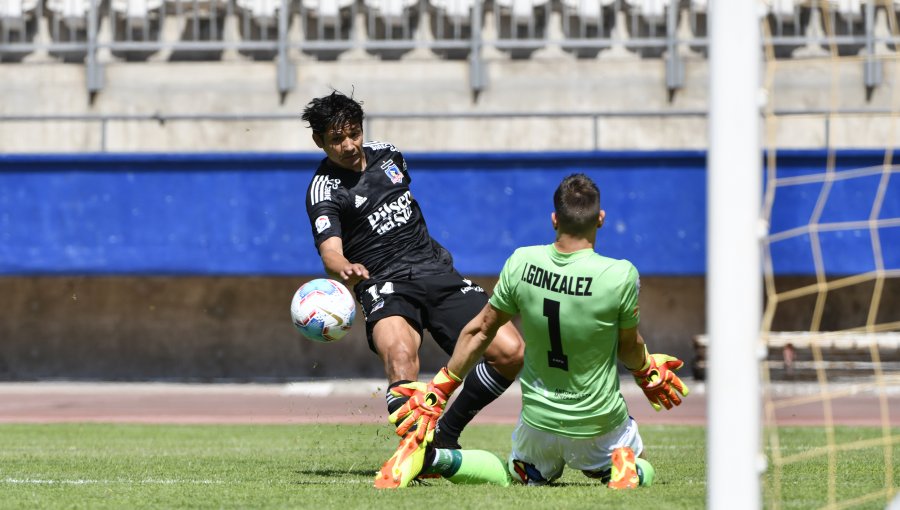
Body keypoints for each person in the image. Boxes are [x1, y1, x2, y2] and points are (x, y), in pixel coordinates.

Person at [389, 173, 689, 488]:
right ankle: (624, 467)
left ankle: (432, 459)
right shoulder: (620, 275)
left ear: (554, 219)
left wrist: (440, 387)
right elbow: (629, 347)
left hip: (539, 425)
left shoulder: (522, 262)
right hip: (600, 424)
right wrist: (646, 372)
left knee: (515, 475)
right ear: (600, 219)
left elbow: (480, 330)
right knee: (640, 465)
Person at [300, 90, 525, 483]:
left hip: (435, 271)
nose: (349, 145)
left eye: (353, 133)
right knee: (402, 356)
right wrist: (345, 267)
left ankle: (447, 436)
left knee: (510, 351)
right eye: (337, 139)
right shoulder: (324, 189)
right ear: (319, 141)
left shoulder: (390, 155)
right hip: (384, 284)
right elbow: (330, 252)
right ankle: (416, 451)